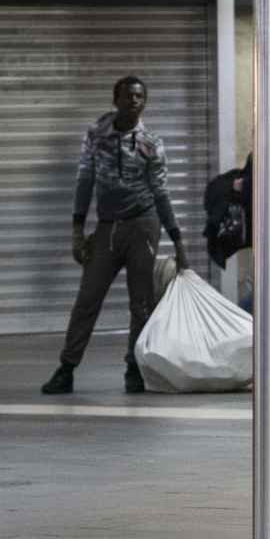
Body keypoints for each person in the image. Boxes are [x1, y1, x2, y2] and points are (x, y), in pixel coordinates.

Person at [41, 76, 189, 395]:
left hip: (144, 226)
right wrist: (78, 230)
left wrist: (178, 239)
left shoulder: (151, 142)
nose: (134, 101)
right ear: (116, 99)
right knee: (87, 299)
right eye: (128, 96)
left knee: (141, 304)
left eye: (140, 97)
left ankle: (133, 369)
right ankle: (66, 368)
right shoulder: (97, 135)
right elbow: (85, 180)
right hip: (108, 228)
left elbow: (161, 192)